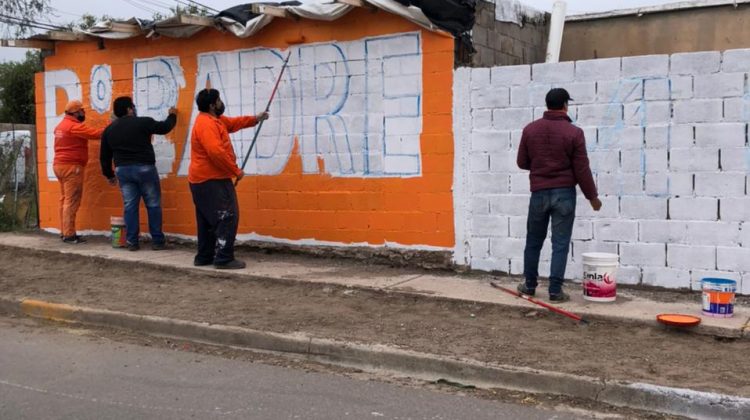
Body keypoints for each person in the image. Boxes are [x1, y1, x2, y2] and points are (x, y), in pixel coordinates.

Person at [516, 88, 602, 302]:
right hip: (564, 194)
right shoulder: (574, 133)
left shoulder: (530, 130)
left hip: (538, 193)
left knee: (534, 241)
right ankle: (555, 291)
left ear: (547, 105)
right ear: (565, 105)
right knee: (560, 243)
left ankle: (529, 285)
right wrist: (592, 197)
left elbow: (522, 162)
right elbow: (582, 169)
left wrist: (540, 167)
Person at [188, 88, 268, 269]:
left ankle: (204, 256)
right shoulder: (207, 124)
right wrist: (235, 171)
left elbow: (233, 123)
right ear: (211, 105)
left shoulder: (213, 120)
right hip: (212, 180)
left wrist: (255, 119)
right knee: (228, 216)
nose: (220, 103)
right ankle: (223, 258)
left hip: (202, 180)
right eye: (218, 100)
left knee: (207, 220)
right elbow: (216, 152)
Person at [100, 96, 177, 251]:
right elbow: (164, 128)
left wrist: (109, 175)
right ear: (129, 109)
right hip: (145, 168)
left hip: (123, 171)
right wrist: (172, 115)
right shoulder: (143, 122)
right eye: (133, 106)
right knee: (153, 205)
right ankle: (157, 241)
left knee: (130, 206)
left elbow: (104, 156)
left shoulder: (109, 130)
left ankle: (132, 242)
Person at [53, 100, 104, 244]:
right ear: (76, 112)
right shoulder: (73, 126)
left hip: (59, 166)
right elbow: (95, 134)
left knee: (64, 200)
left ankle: (64, 232)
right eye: (82, 111)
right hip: (71, 168)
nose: (84, 113)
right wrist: (112, 125)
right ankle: (69, 235)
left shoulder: (60, 126)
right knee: (72, 200)